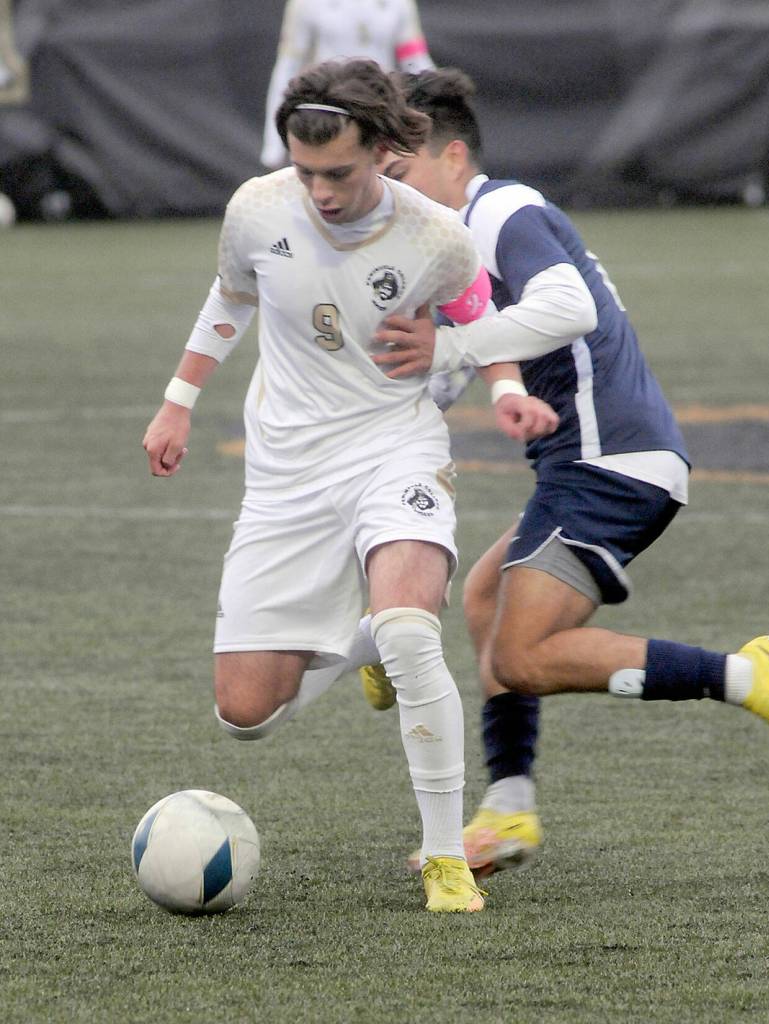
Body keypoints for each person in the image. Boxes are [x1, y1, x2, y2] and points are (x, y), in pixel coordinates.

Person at [142, 58, 557, 913]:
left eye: (339, 172)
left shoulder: (437, 233)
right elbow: (230, 298)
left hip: (392, 448)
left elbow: (478, 314)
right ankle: (362, 641)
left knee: (413, 629)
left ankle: (445, 859)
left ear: (382, 150)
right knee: (244, 714)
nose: (321, 192)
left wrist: (508, 391)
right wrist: (178, 404)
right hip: (285, 473)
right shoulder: (258, 210)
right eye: (306, 172)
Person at [364, 67, 769, 878]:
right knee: (490, 600)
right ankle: (511, 807)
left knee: (524, 654)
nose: (394, 197)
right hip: (592, 462)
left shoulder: (498, 209)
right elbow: (458, 368)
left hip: (611, 462)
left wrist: (450, 348)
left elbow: (570, 307)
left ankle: (750, 675)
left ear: (454, 157)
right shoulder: (459, 252)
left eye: (402, 174)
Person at [260, 0, 434, 169]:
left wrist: (446, 102)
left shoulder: (399, 3)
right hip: (328, 113)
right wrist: (274, 146)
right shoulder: (305, 3)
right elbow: (288, 67)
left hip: (379, 111)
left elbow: (416, 60)